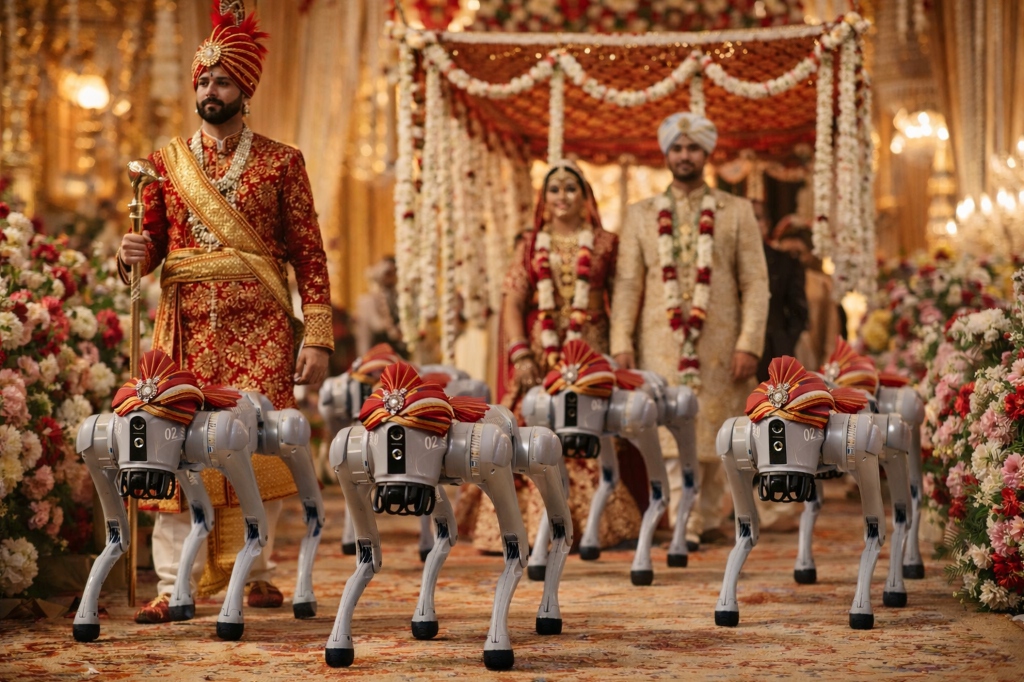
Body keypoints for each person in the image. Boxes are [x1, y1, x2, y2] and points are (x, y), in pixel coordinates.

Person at [117, 5, 333, 623]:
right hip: (184, 322)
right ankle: (169, 581)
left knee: (255, 443)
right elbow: (150, 247)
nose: (209, 90)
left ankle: (256, 569)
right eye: (203, 81)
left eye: (222, 81)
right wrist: (133, 255)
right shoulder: (164, 163)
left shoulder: (282, 160)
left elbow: (309, 253)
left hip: (261, 324)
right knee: (173, 438)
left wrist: (314, 335)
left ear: (245, 89)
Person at [459, 160, 641, 553]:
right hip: (542, 356)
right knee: (531, 428)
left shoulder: (607, 242)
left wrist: (621, 349)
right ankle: (526, 524)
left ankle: (591, 524)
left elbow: (624, 298)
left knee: (589, 429)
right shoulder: (529, 244)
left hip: (588, 349)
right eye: (555, 189)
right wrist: (521, 353)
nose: (563, 197)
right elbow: (513, 302)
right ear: (545, 198)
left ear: (585, 196)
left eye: (570, 188)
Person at [610, 112, 769, 550]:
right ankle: (686, 521)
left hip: (721, 341)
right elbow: (627, 283)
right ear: (666, 154)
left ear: (707, 153)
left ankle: (711, 515)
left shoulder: (735, 212)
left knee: (718, 429)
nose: (684, 156)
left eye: (692, 148)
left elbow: (755, 280)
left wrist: (749, 342)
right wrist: (621, 342)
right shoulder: (640, 215)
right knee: (670, 431)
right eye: (677, 148)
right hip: (660, 340)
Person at [775, 220, 843, 371]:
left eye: (798, 254)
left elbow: (831, 331)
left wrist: (826, 368)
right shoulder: (771, 282)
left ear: (809, 254)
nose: (792, 259)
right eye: (786, 254)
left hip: (811, 354)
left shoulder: (821, 284)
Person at [752, 201, 808, 383]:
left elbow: (798, 312)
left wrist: (783, 342)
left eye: (757, 218)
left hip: (774, 354)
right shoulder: (726, 264)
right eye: (747, 218)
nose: (752, 223)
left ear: (766, 224)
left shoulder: (785, 262)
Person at [353, 256, 405, 357]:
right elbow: (368, 333)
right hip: (376, 356)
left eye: (394, 273)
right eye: (388, 273)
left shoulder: (402, 298)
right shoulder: (367, 301)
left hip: (400, 355)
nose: (391, 277)